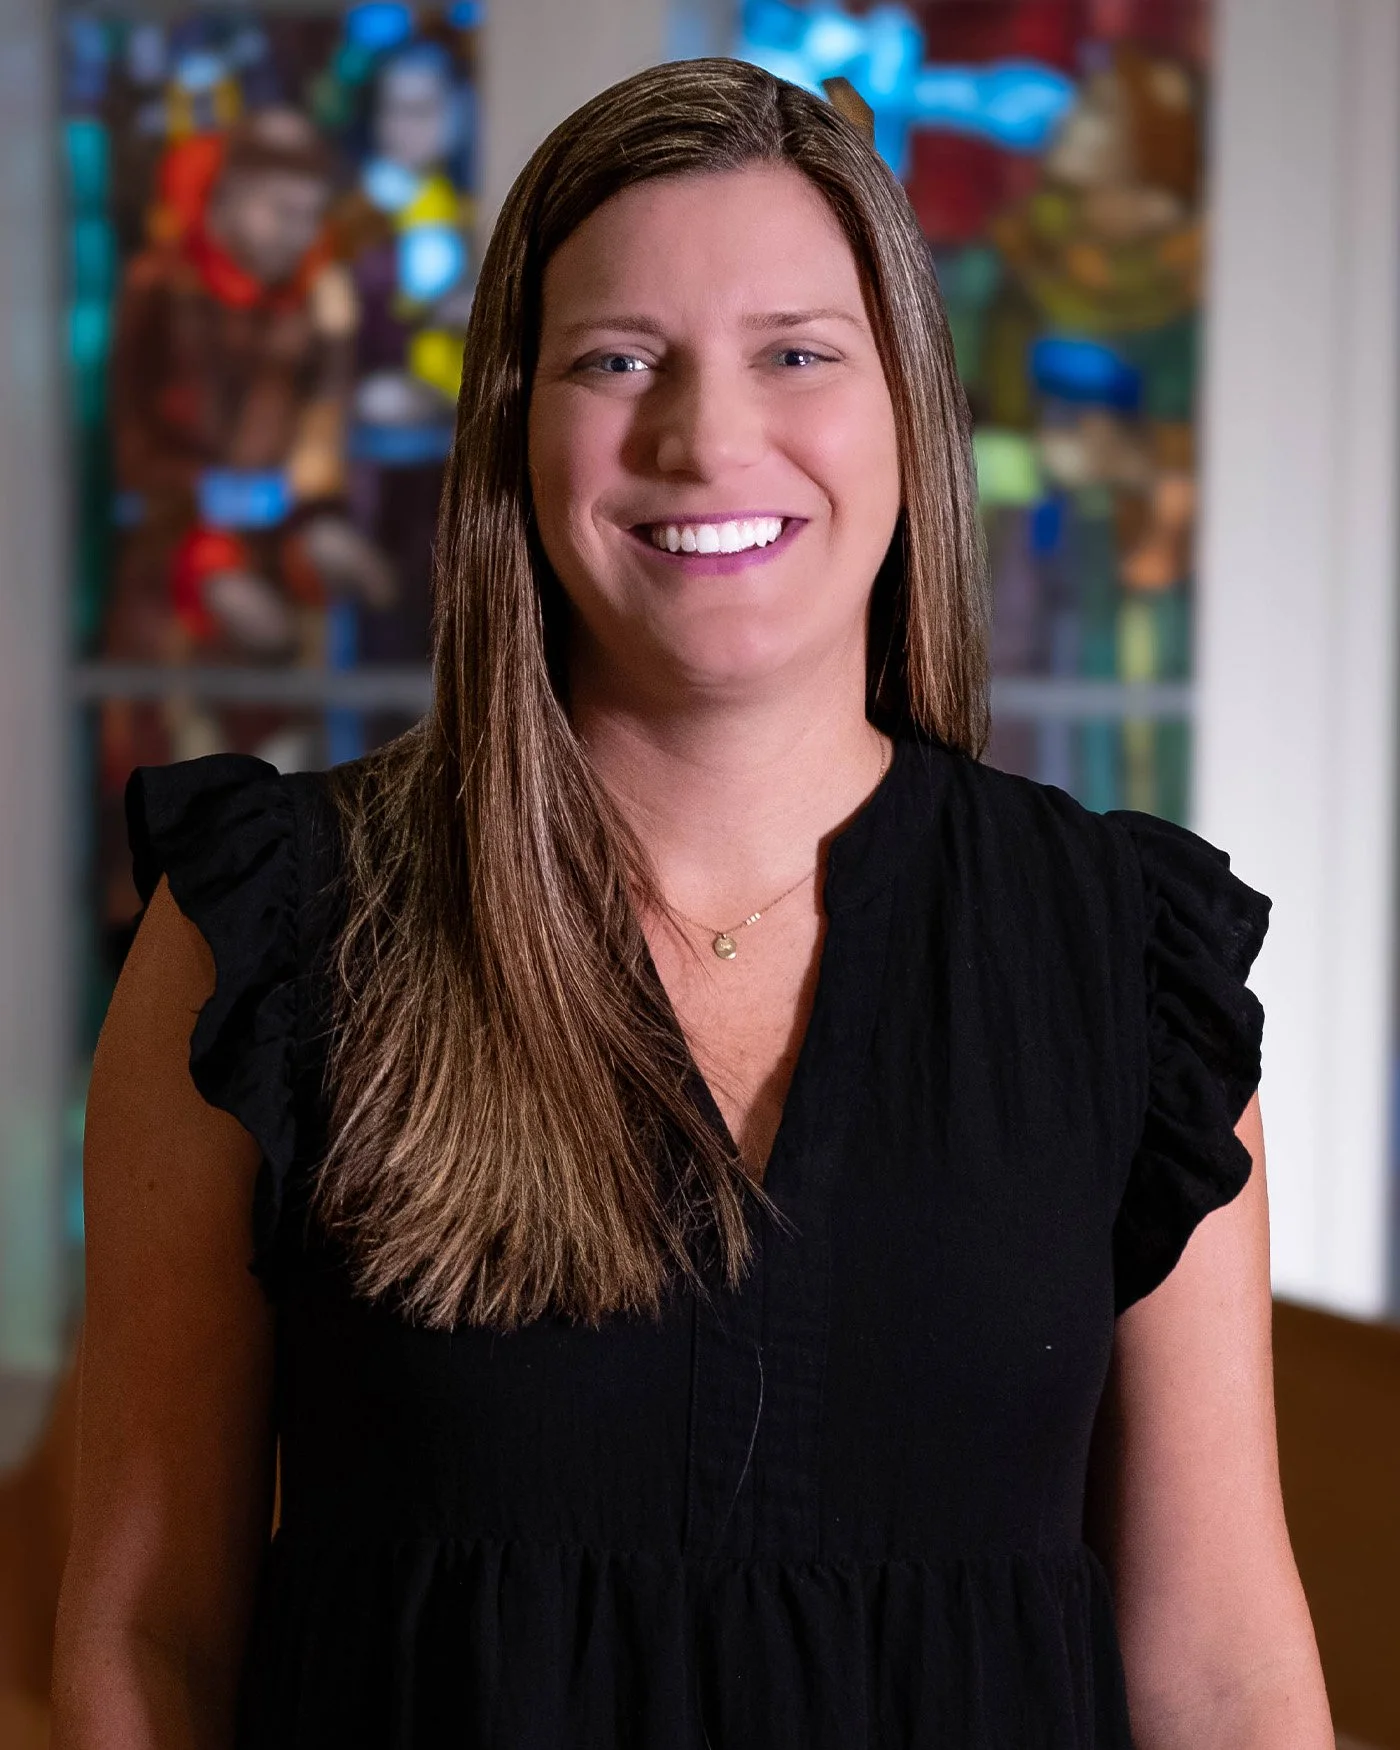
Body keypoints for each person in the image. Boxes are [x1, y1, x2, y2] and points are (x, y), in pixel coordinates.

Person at [52, 57, 1332, 1748]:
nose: (705, 435)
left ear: (907, 416)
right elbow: (148, 1650)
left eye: (796, 353)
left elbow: (1226, 1676)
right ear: (513, 419)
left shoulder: (1131, 966)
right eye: (616, 359)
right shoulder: (271, 934)